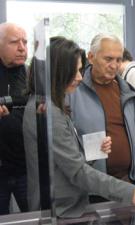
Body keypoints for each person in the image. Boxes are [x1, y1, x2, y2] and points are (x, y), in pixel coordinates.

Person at [23, 36, 135, 218]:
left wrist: (94, 150)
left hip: (72, 205)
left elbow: (66, 155)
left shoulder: (52, 105)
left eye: (80, 70)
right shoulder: (49, 111)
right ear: (58, 71)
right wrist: (132, 193)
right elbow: (77, 171)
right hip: (63, 209)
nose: (80, 77)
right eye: (75, 71)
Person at [67, 34, 135, 197]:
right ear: (91, 57)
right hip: (90, 187)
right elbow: (66, 142)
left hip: (128, 183)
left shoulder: (129, 94)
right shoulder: (72, 92)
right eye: (108, 59)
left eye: (118, 60)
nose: (114, 65)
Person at [0, 22, 28, 215]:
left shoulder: (32, 75)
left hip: (26, 168)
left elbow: (36, 117)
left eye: (25, 42)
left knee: (34, 216)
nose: (22, 48)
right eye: (14, 42)